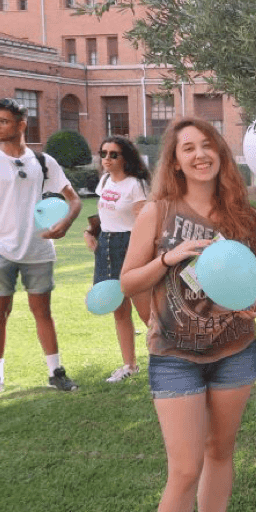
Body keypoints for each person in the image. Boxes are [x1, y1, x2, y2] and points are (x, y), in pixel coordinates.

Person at [119, 116, 256, 512]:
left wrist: (248, 305)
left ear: (219, 153)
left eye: (207, 145)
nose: (200, 154)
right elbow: (128, 282)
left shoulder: (242, 216)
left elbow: (244, 283)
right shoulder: (157, 212)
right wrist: (169, 257)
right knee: (184, 469)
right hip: (175, 356)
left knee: (220, 451)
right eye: (189, 148)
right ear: (176, 162)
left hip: (234, 351)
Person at [0, 97, 83, 401]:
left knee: (43, 312)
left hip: (38, 251)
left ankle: (56, 373)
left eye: (2, 121)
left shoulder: (43, 162)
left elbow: (74, 200)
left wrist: (66, 223)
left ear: (21, 124)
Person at [85, 135, 151, 382]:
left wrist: (142, 253)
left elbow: (145, 223)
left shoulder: (136, 185)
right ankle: (129, 365)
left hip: (130, 245)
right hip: (106, 246)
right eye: (103, 154)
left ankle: (167, 360)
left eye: (114, 154)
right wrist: (90, 233)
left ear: (126, 158)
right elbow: (104, 217)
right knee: (118, 309)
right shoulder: (103, 182)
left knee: (147, 312)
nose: (107, 159)